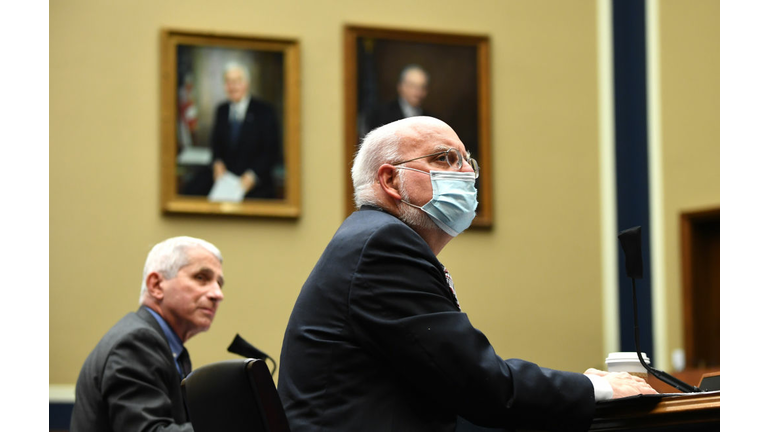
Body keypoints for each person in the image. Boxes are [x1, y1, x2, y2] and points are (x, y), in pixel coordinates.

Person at [277, 116, 657, 432]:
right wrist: (597, 388)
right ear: (391, 181)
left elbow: (450, 388)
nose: (467, 173)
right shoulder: (383, 245)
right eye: (445, 159)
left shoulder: (370, 238)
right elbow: (481, 385)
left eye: (467, 161)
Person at [70, 236, 225, 432]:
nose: (217, 294)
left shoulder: (164, 346)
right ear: (156, 285)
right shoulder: (136, 343)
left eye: (219, 283)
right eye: (201, 278)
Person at [210, 61, 282, 199]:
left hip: (257, 185)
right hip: (225, 184)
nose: (232, 87)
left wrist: (252, 176)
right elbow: (216, 145)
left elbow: (271, 152)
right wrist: (217, 163)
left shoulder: (265, 111)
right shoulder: (222, 110)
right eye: (228, 82)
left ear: (246, 84)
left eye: (237, 81)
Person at [366, 64, 435, 133]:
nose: (418, 92)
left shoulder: (430, 120)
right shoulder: (381, 114)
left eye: (422, 87)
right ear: (400, 87)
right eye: (412, 86)